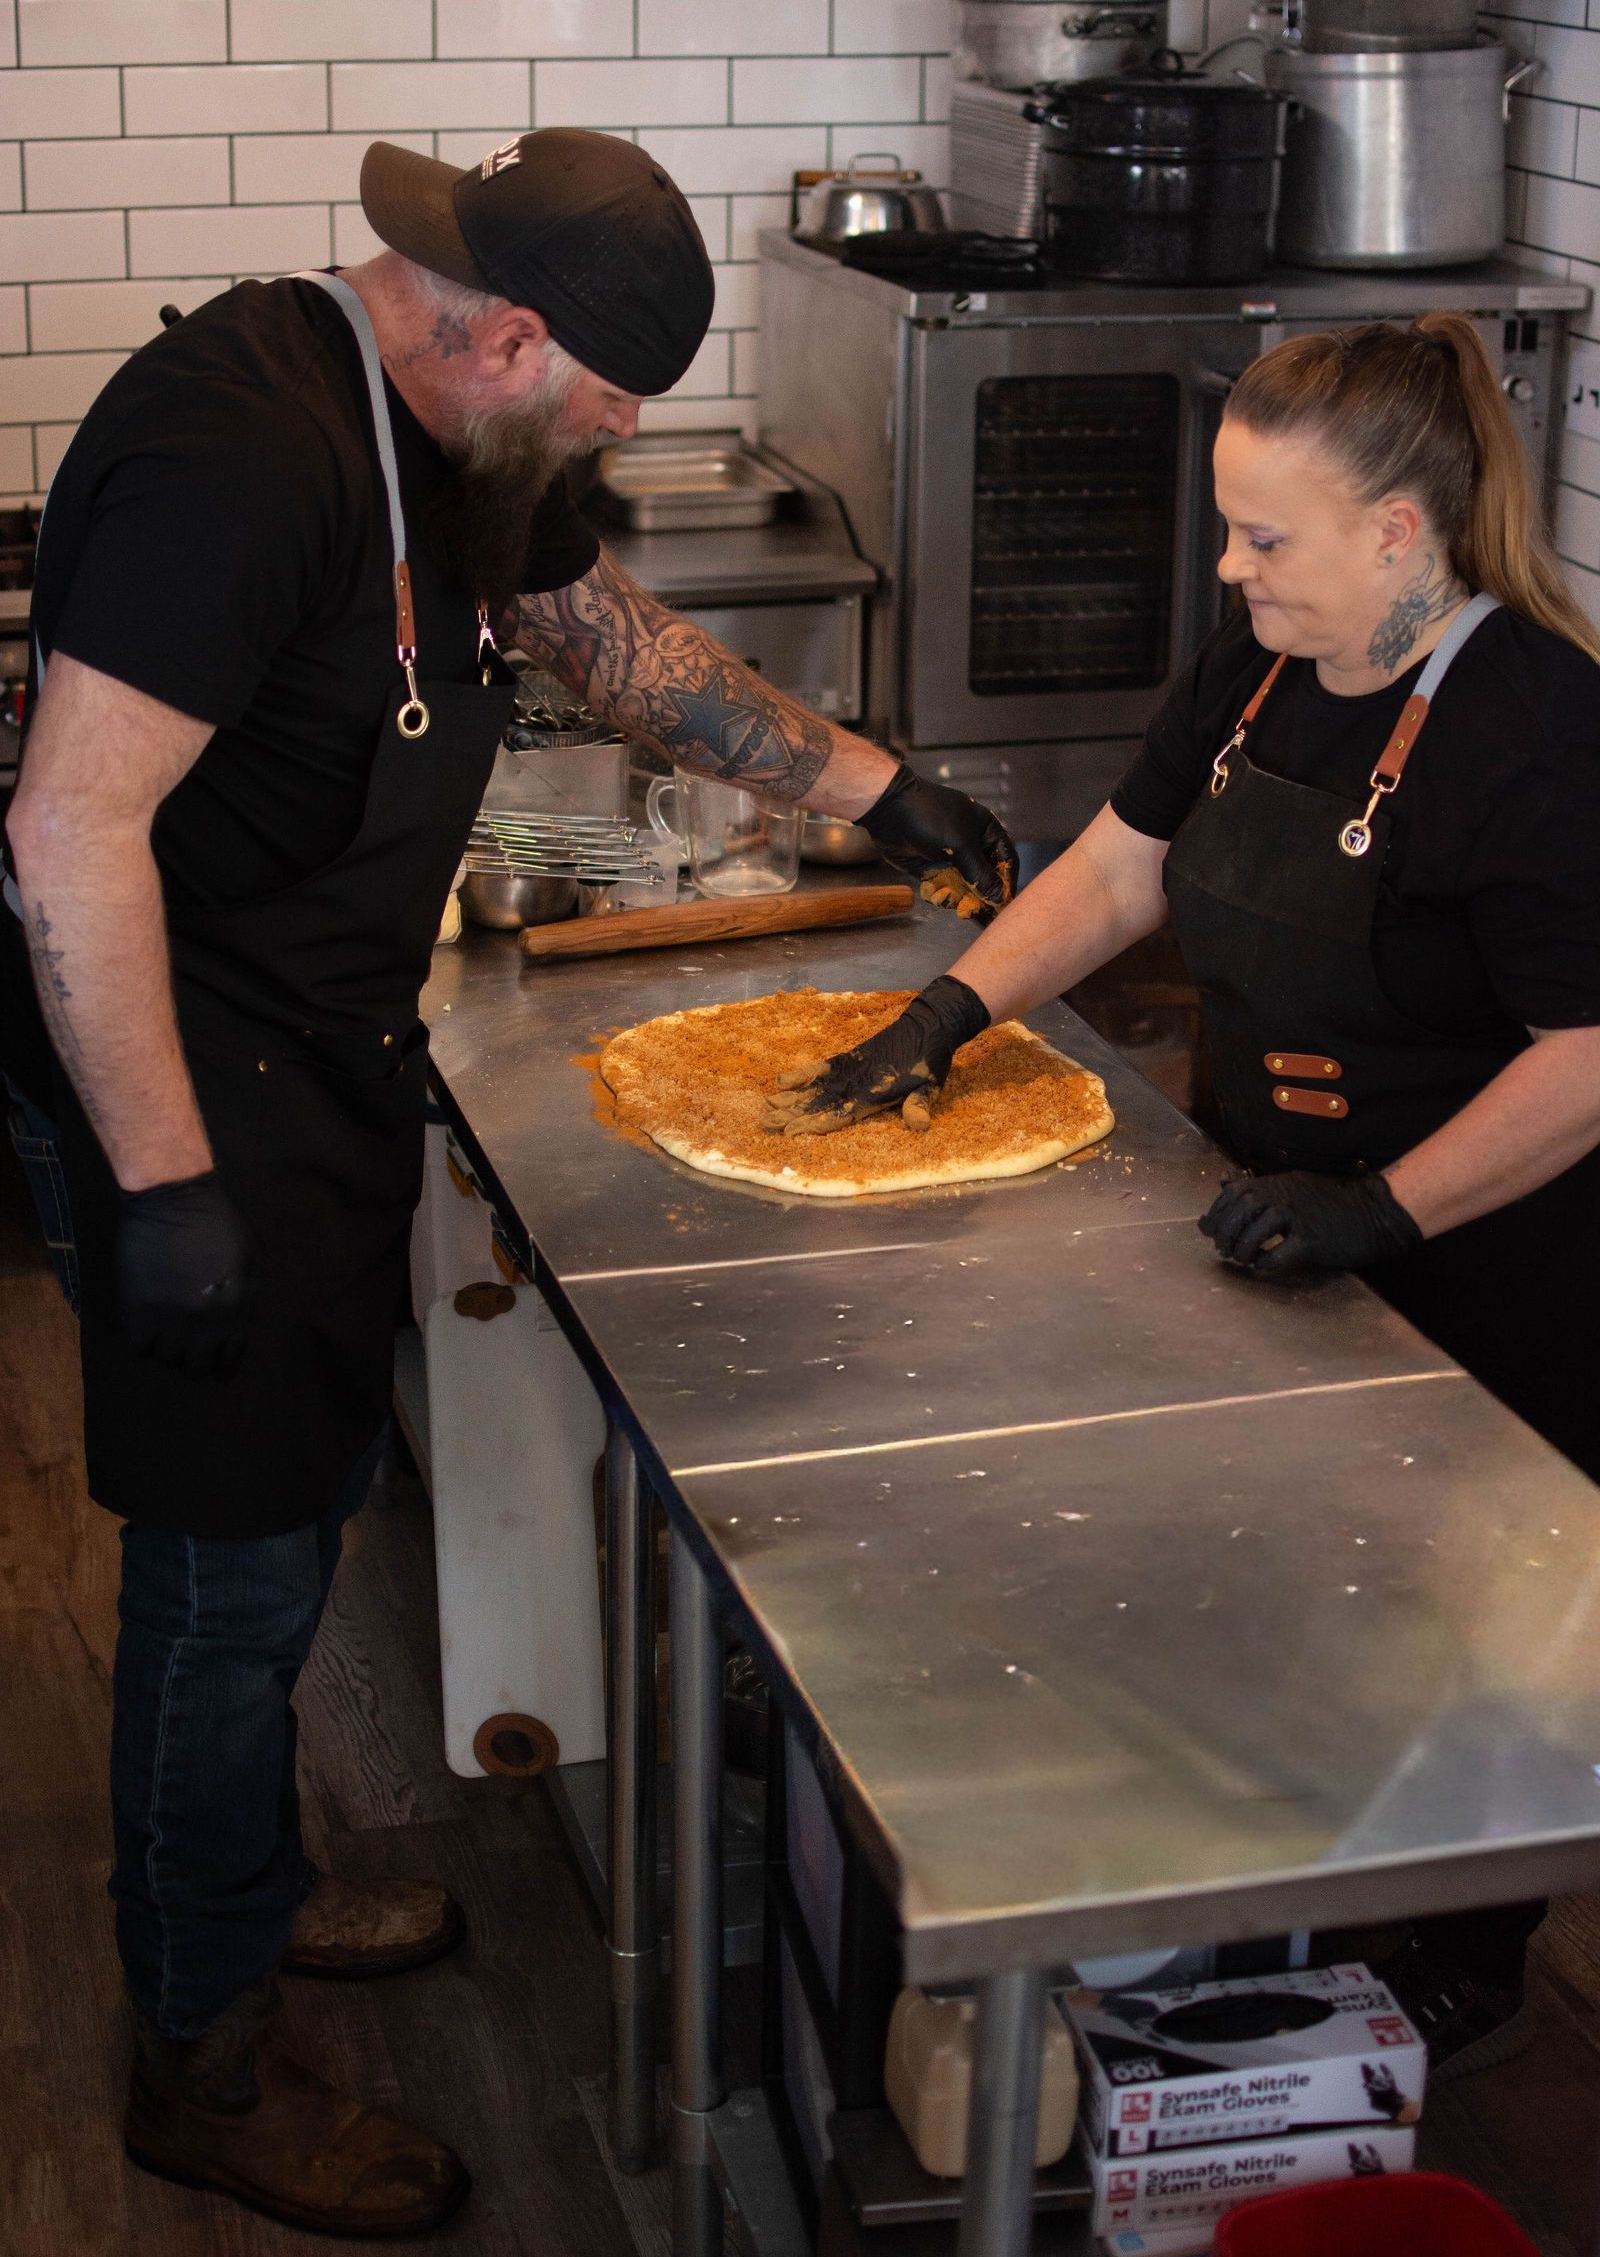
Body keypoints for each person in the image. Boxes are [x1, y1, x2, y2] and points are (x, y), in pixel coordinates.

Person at [0, 127, 1015, 2239]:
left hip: (308, 1051)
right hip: (189, 1085)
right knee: (226, 1575)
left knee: (278, 1532)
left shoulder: (425, 437)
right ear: (511, 332)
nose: (622, 440)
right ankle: (196, 2055)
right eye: (615, 401)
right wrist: (164, 1184)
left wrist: (865, 782)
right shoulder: (239, 455)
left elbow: (597, 630)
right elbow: (67, 835)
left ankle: (244, 1896)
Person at [765, 312, 1600, 2078]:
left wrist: (1391, 1207)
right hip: (1276, 1217)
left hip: (1494, 1261)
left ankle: (1467, 1942)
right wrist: (954, 1005)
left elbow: (1590, 1052)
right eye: (1229, 530)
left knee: (1477, 1630)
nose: (1230, 568)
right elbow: (1125, 865)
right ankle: (1271, 1876)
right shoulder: (1263, 666)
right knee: (1303, 1594)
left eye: (1264, 537)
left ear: (1401, 533)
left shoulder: (1539, 726)